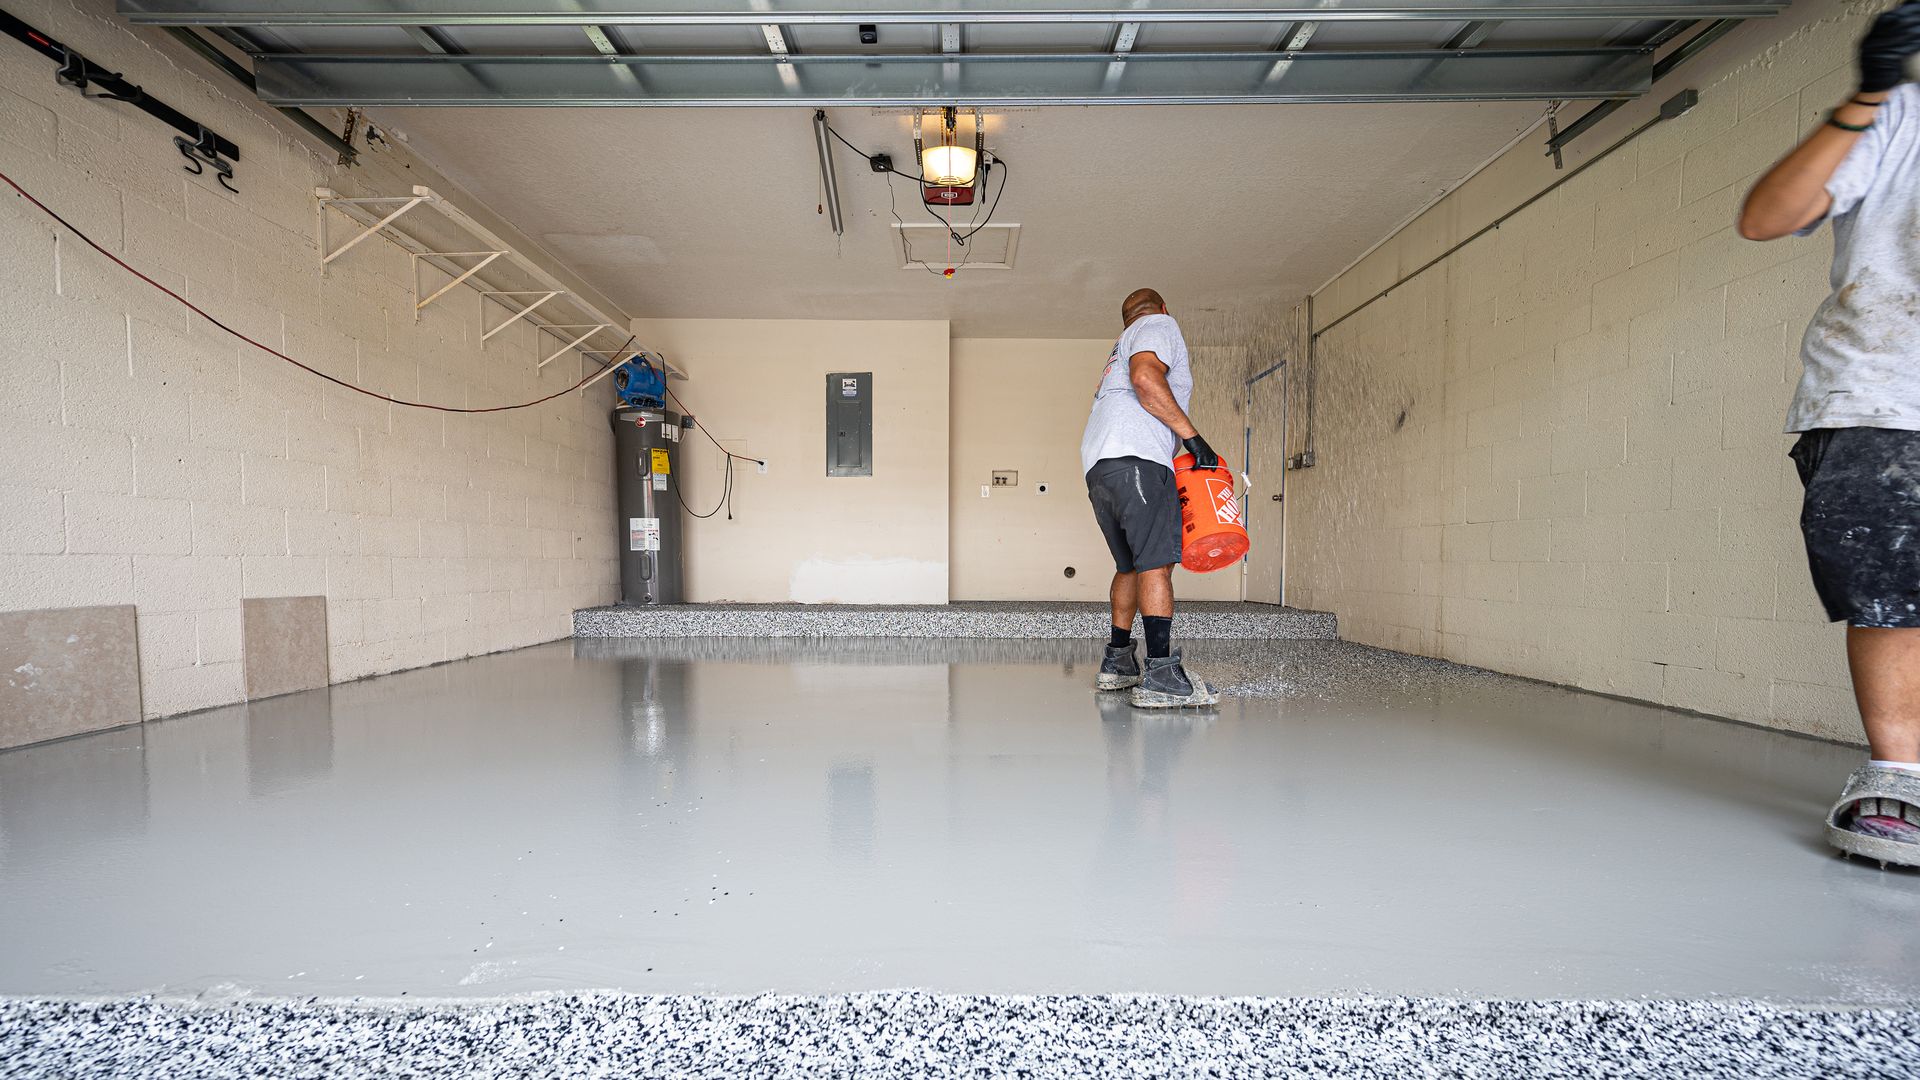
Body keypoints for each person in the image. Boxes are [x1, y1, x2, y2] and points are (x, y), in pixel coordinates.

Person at [1739, 2, 1920, 867]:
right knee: (1889, 590)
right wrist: (1871, 91)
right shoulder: (1898, 120)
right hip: (1881, 393)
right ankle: (1901, 775)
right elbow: (1766, 216)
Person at [1080, 288, 1221, 709]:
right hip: (1138, 459)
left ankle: (1118, 662)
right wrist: (1193, 440)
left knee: (1130, 565)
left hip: (1100, 468)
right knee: (1156, 564)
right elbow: (1145, 378)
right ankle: (1161, 674)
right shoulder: (1158, 325)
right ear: (1161, 309)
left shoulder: (1119, 348)